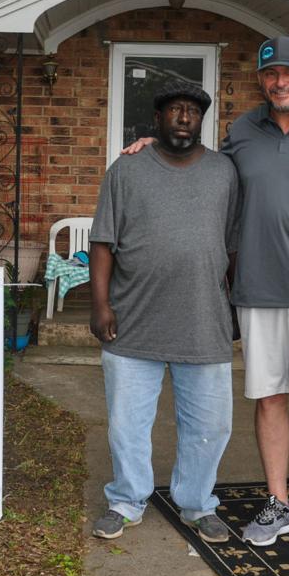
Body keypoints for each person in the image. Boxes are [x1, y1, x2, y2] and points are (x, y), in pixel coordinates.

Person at [123, 36, 289, 576]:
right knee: (269, 401)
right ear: (261, 81)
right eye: (270, 75)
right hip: (257, 294)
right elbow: (200, 166)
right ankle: (279, 503)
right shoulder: (242, 133)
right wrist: (152, 145)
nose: (280, 83)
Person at [89, 80, 241, 545]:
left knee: (210, 423)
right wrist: (100, 304)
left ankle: (197, 503)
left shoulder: (225, 173)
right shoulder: (127, 170)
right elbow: (102, 241)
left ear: (201, 121)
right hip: (134, 318)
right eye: (173, 110)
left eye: (192, 112)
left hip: (203, 320)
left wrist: (232, 307)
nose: (183, 117)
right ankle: (126, 501)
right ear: (155, 120)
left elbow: (232, 242)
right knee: (127, 423)